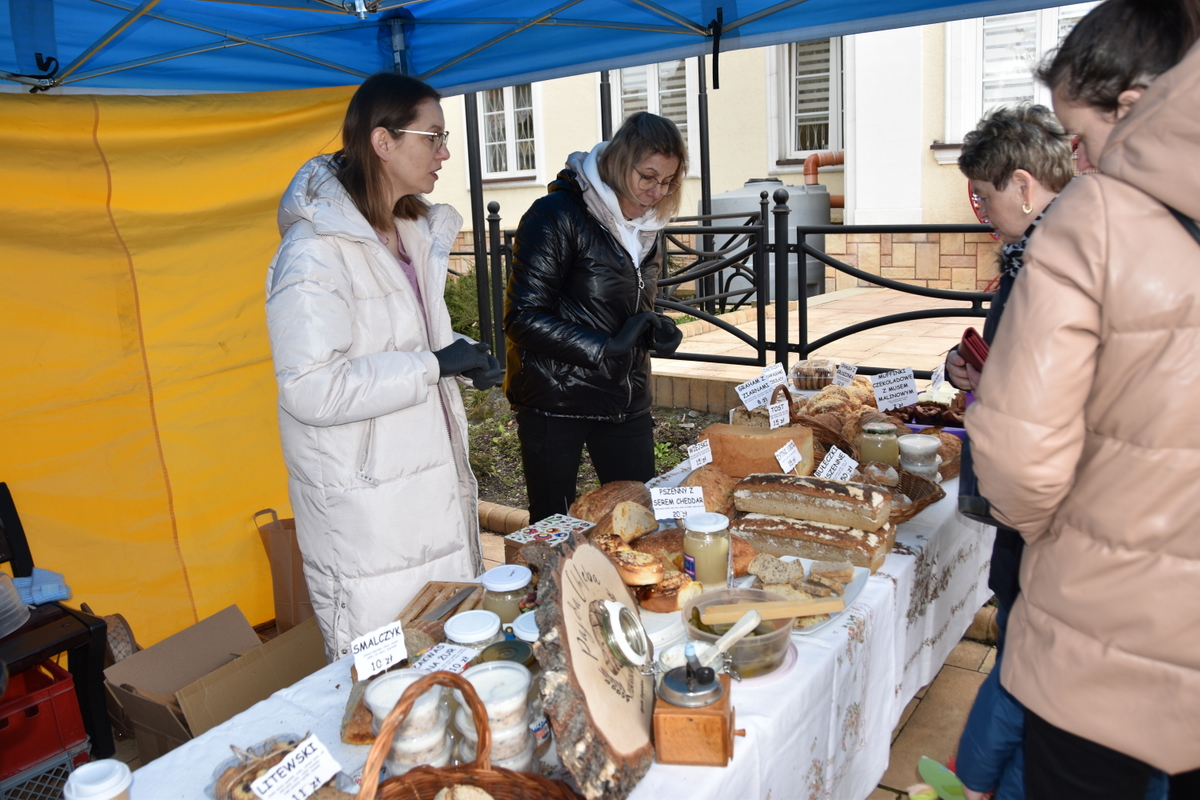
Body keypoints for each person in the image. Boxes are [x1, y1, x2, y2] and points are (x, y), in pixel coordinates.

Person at [965, 0, 1200, 795]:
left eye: (1084, 137)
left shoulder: (1096, 218)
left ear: (1134, 107)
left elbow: (1021, 466)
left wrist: (1055, 538)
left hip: (1105, 629)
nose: (1082, 157)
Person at [265, 73, 501, 661]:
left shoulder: (411, 232)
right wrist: (430, 365)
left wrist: (458, 359)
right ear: (383, 142)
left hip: (426, 485)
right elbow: (311, 389)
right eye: (435, 137)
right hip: (369, 509)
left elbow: (406, 339)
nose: (445, 153)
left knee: (447, 658)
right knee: (388, 679)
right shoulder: (314, 251)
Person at [944, 105, 1074, 800]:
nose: (983, 212)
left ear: (1023, 185)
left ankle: (980, 784)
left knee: (1026, 666)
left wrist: (996, 385)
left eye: (986, 197)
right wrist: (975, 370)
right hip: (1041, 502)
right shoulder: (1043, 251)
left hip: (1047, 507)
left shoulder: (1061, 259)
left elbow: (1054, 395)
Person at [503, 112, 687, 523]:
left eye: (669, 181)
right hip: (556, 399)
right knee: (553, 528)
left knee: (640, 521)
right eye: (648, 177)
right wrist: (605, 346)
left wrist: (654, 327)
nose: (658, 191)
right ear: (621, 163)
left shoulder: (648, 224)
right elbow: (523, 317)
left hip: (625, 397)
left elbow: (629, 299)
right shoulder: (556, 214)